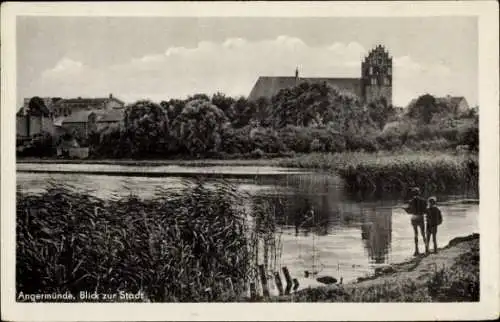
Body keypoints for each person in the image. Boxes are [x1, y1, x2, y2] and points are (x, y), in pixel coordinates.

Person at [404, 187, 427, 256]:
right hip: (420, 217)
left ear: (413, 193)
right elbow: (425, 211)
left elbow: (409, 211)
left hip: (414, 218)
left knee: (416, 234)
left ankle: (416, 250)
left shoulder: (411, 201)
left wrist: (405, 209)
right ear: (419, 193)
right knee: (423, 233)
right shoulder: (423, 201)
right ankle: (426, 248)